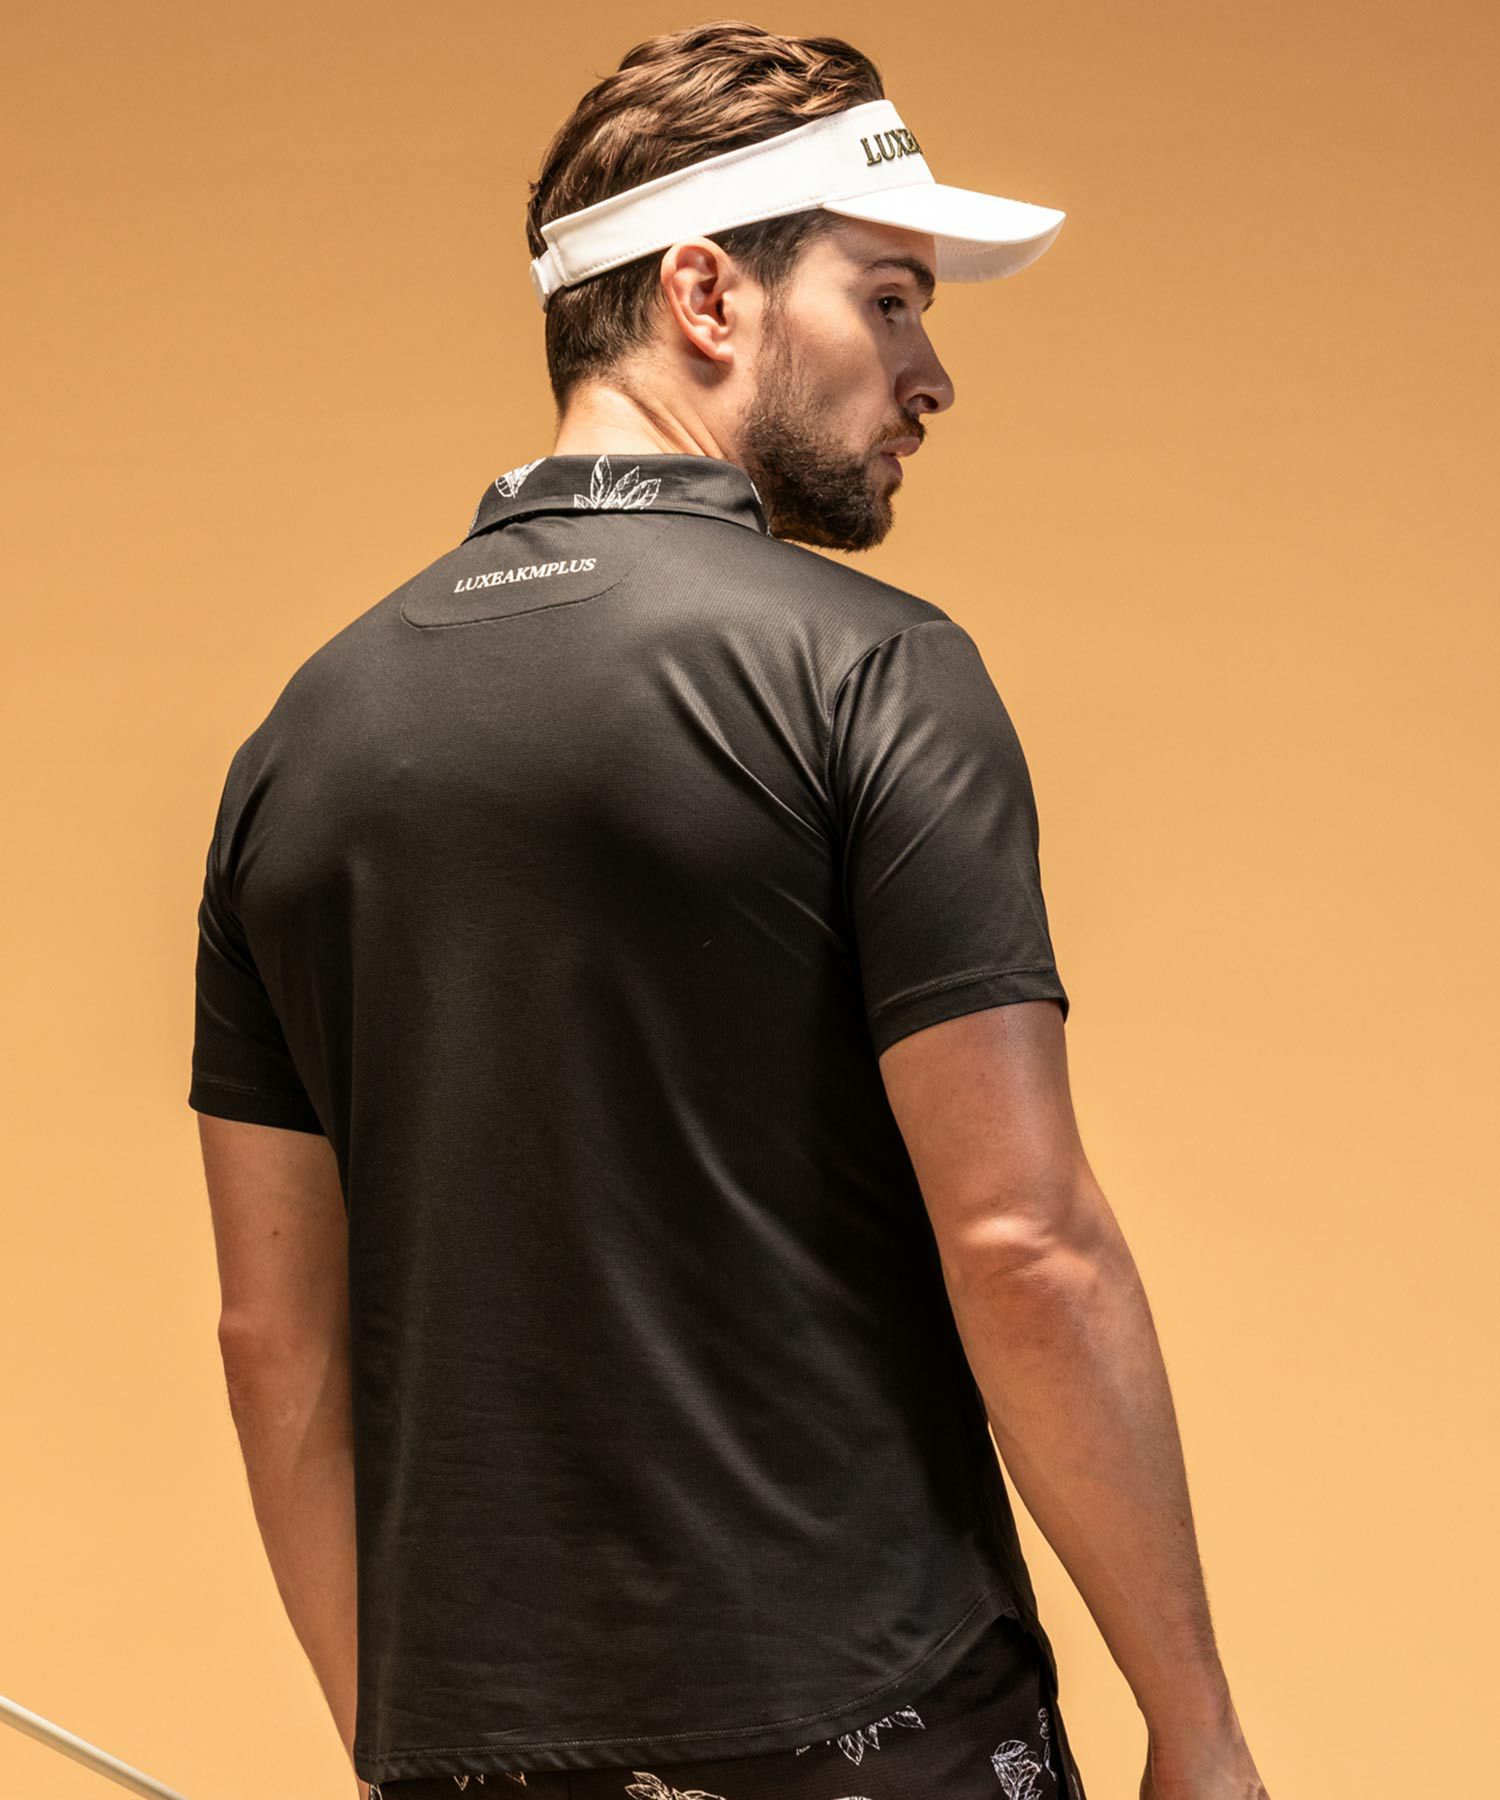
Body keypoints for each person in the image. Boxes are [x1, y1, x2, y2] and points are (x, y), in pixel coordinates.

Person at [189, 22, 1270, 1800]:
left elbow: (274, 1340)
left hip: (478, 1756)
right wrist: (1201, 1733)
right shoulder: (873, 673)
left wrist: (399, 1754)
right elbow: (1026, 1245)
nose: (931, 377)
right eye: (889, 301)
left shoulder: (298, 745)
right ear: (705, 294)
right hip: (880, 1736)